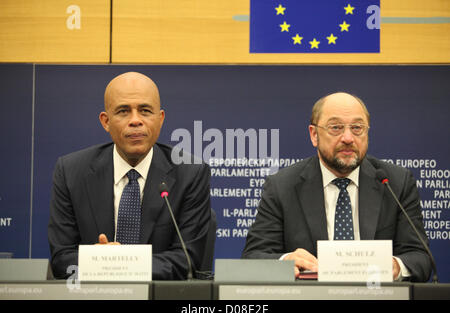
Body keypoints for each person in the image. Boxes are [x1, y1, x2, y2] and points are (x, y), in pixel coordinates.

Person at [242, 92, 432, 282]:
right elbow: (253, 257)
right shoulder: (282, 186)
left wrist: (395, 266)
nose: (348, 137)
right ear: (314, 134)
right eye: (336, 128)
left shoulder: (396, 182)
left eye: (357, 128)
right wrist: (285, 261)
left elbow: (421, 259)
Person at [48, 72, 211, 280]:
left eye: (145, 111)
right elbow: (61, 258)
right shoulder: (71, 171)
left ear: (160, 119)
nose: (136, 121)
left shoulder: (190, 173)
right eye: (124, 111)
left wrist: (117, 263)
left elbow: (187, 260)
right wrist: (98, 261)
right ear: (105, 121)